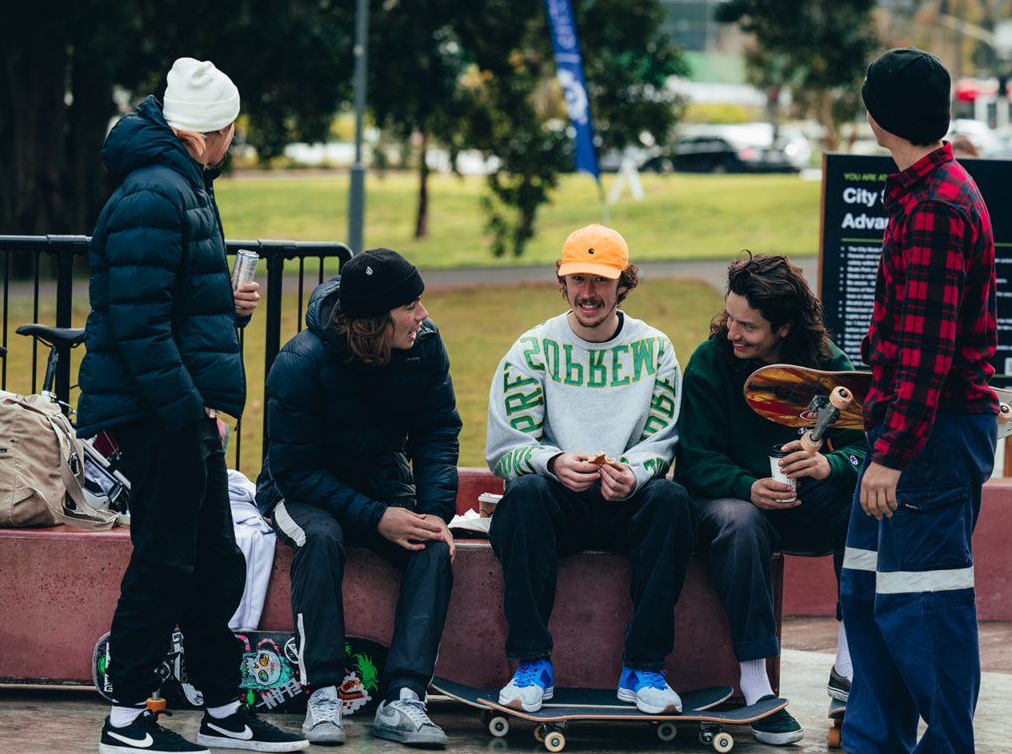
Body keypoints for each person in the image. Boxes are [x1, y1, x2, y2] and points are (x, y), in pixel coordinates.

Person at [77, 58, 306, 754]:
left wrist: (223, 308)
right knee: (165, 563)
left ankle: (223, 709)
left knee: (214, 561)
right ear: (212, 129)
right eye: (231, 127)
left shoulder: (181, 188)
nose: (232, 139)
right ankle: (128, 721)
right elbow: (138, 327)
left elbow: (167, 308)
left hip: (182, 413)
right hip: (163, 418)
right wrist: (186, 415)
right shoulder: (153, 194)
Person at [842, 47, 1000, 754]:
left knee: (924, 614)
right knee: (871, 603)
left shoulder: (937, 206)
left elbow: (929, 355)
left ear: (878, 118)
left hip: (926, 446)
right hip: (906, 437)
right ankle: (873, 743)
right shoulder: (924, 191)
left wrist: (891, 457)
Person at [485, 224, 695, 715]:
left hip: (629, 500)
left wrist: (636, 474)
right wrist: (553, 461)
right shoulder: (532, 350)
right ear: (562, 282)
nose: (588, 293)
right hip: (559, 502)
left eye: (601, 281)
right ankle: (530, 664)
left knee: (673, 501)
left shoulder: (656, 349)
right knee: (524, 497)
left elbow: (663, 440)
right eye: (578, 279)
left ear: (624, 283)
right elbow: (506, 450)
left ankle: (645, 669)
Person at [256, 248, 461, 747]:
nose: (423, 315)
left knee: (431, 546)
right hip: (301, 490)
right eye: (412, 305)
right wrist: (377, 517)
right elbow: (295, 471)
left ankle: (406, 699)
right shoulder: (300, 361)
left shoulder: (424, 347)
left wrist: (433, 513)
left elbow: (437, 434)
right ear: (377, 317)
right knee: (322, 538)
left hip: (380, 484)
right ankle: (323, 694)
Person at [674, 254, 866, 745]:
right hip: (729, 506)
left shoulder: (826, 363)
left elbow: (865, 448)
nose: (732, 333)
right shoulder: (710, 362)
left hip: (805, 503)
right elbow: (694, 460)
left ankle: (848, 669)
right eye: (730, 317)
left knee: (864, 506)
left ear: (784, 326)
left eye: (748, 326)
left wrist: (830, 465)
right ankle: (756, 688)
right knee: (741, 522)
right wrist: (747, 486)